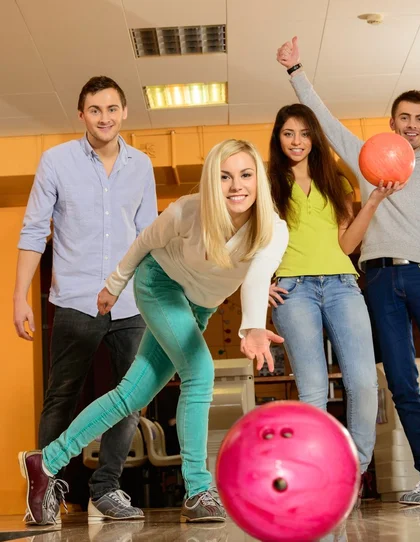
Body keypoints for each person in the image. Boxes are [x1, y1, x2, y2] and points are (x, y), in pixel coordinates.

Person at [277, 37, 420, 504]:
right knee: (401, 380)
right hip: (379, 279)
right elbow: (323, 121)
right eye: (403, 117)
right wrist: (295, 71)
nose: (411, 125)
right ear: (392, 123)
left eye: (419, 119)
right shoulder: (367, 160)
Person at [18, 139, 289, 525]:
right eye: (224, 176)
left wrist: (254, 327)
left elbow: (258, 277)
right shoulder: (190, 211)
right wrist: (114, 284)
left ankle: (46, 461)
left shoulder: (273, 229)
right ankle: (198, 490)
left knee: (131, 396)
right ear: (213, 181)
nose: (236, 186)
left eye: (246, 175)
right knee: (200, 373)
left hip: (199, 306)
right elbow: (144, 242)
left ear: (258, 180)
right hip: (159, 284)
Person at [13, 76, 157, 522]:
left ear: (124, 112)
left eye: (112, 109)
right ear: (82, 115)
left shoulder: (142, 165)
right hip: (75, 299)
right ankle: (46, 487)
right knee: (62, 397)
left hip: (131, 300)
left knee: (132, 398)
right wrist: (20, 297)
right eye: (95, 110)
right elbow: (35, 231)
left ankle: (106, 488)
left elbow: (150, 237)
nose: (104, 118)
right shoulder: (56, 161)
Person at [267, 103, 402, 506]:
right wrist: (258, 287)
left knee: (363, 383)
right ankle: (317, 475)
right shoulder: (267, 181)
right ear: (278, 137)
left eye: (305, 134)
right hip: (292, 289)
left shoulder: (337, 180)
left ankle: (353, 473)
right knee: (313, 391)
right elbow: (252, 240)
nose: (297, 142)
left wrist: (373, 201)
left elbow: (346, 243)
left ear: (315, 138)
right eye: (289, 133)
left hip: (342, 283)